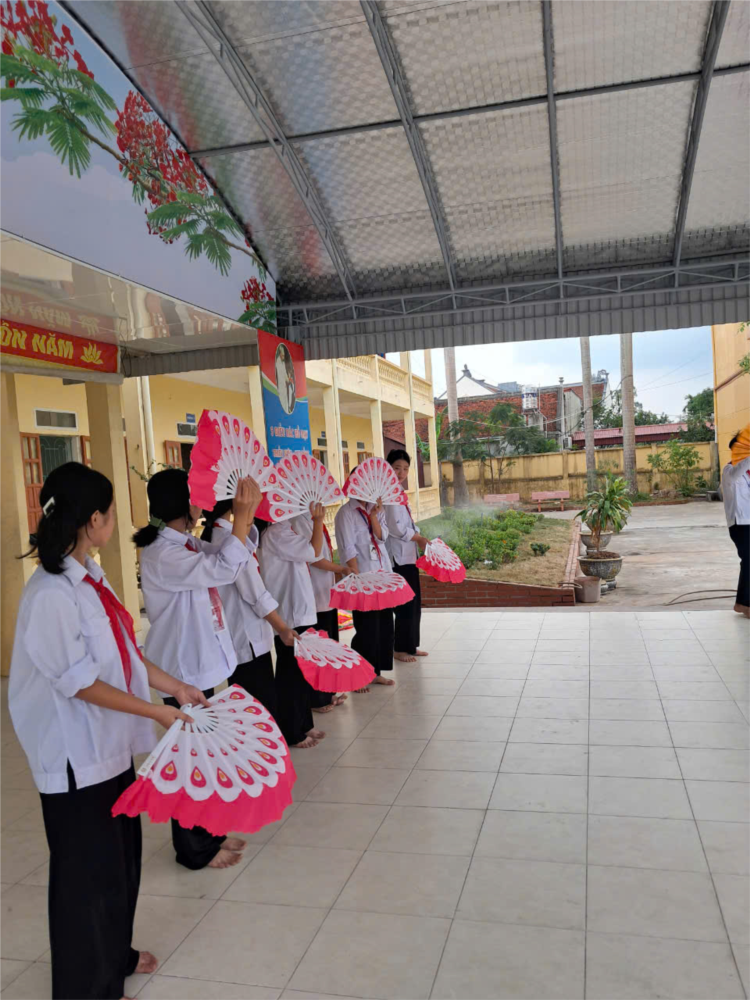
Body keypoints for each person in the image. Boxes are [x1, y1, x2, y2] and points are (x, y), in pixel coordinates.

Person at [9, 461, 204, 1000]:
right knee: (85, 880)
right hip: (75, 758)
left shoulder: (90, 577)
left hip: (110, 748)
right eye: (113, 512)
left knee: (119, 865)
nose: (116, 521)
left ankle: (115, 955)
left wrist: (176, 687)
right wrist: (155, 713)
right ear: (93, 519)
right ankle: (86, 987)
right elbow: (78, 683)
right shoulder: (50, 594)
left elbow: (125, 655)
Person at [134, 468, 256, 871]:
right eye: (194, 496)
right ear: (180, 504)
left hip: (199, 665)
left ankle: (211, 832)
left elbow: (227, 559)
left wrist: (243, 518)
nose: (201, 503)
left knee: (207, 754)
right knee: (191, 759)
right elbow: (223, 569)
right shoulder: (163, 553)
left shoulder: (183, 543)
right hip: (182, 670)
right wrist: (241, 516)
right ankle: (193, 849)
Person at [201, 498, 298, 717]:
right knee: (258, 706)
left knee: (249, 704)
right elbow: (255, 593)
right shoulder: (227, 540)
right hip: (248, 637)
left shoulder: (222, 536)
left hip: (242, 635)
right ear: (233, 505)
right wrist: (282, 628)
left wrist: (246, 515)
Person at [258, 502, 329, 747]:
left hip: (298, 610)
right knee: (291, 674)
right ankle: (292, 730)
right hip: (290, 614)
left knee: (301, 672)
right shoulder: (276, 533)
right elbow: (314, 552)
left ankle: (304, 723)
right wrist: (318, 521)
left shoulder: (283, 530)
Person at [334, 480, 395, 687]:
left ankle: (375, 672)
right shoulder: (346, 513)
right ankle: (359, 675)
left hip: (382, 575)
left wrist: (374, 516)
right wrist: (356, 579)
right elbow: (347, 547)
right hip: (363, 577)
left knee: (383, 624)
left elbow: (382, 537)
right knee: (367, 628)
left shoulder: (375, 508)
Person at [292, 506, 351, 713]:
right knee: (318, 649)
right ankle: (317, 698)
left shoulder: (312, 518)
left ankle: (328, 692)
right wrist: (341, 568)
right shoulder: (298, 521)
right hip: (314, 594)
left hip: (325, 592)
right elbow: (314, 557)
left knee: (330, 645)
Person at [386, 449, 430, 661]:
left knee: (414, 603)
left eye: (405, 468)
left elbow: (408, 523)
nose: (401, 473)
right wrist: (417, 538)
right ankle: (400, 649)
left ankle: (411, 645)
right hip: (398, 557)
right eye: (397, 468)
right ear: (388, 468)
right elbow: (395, 528)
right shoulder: (388, 494)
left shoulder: (399, 492)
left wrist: (419, 535)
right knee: (404, 604)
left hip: (409, 555)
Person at [722, 432, 750, 616]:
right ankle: (743, 604)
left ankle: (743, 603)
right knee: (748, 560)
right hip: (740, 524)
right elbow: (738, 471)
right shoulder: (729, 470)